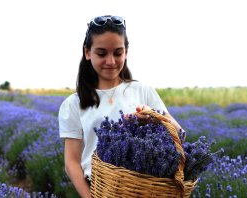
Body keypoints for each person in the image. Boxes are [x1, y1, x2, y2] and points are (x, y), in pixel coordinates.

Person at [58, 15, 183, 198]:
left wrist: (153, 120)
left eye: (117, 53)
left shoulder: (143, 92)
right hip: (101, 190)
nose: (111, 61)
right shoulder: (74, 104)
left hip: (148, 189)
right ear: (87, 52)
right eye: (101, 53)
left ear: (126, 52)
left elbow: (179, 134)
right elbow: (71, 162)